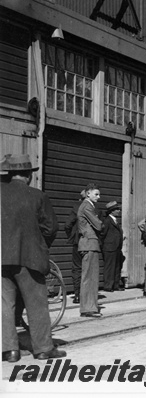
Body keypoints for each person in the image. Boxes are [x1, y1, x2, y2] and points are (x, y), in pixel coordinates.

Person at [1, 154, 66, 361]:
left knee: (4, 304)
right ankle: (43, 348)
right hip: (30, 258)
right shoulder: (38, 196)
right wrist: (39, 246)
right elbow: (51, 228)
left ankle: (9, 350)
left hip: (2, 258)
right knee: (36, 304)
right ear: (29, 175)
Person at [78, 184, 103, 317]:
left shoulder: (88, 205)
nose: (99, 197)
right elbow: (98, 225)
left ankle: (90, 306)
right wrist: (100, 222)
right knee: (89, 277)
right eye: (96, 194)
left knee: (91, 277)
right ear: (88, 194)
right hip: (89, 243)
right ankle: (88, 308)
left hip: (90, 244)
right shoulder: (87, 206)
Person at [64, 190, 85, 303]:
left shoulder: (76, 207)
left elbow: (67, 225)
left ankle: (77, 295)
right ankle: (88, 295)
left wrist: (72, 237)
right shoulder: (95, 208)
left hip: (78, 242)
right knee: (88, 269)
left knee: (77, 268)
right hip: (90, 243)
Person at [99, 201, 124, 292]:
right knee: (109, 267)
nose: (119, 211)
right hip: (109, 248)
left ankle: (115, 285)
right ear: (111, 211)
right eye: (117, 209)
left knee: (117, 267)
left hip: (116, 248)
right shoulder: (107, 221)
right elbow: (102, 234)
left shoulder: (114, 220)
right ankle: (108, 286)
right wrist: (104, 246)